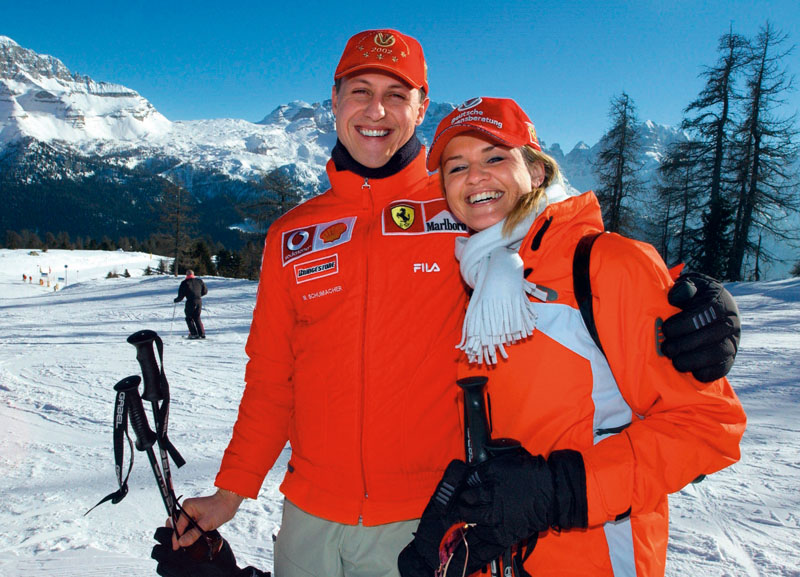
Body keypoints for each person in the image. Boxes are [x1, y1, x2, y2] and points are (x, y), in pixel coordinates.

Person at [153, 30, 741, 577]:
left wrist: (689, 303)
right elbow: (273, 376)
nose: (376, 111)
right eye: (359, 92)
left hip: (428, 513)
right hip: (309, 512)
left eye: (395, 94)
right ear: (333, 101)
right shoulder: (293, 233)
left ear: (420, 106)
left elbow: (555, 240)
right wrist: (231, 490)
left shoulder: (461, 209)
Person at [398, 97, 747, 577]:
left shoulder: (606, 265)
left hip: (597, 558)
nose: (475, 177)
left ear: (537, 172)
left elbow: (709, 429)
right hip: (499, 558)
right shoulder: (472, 281)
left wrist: (557, 492)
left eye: (495, 158)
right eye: (457, 167)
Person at [174, 270, 208, 339]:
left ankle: (193, 333)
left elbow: (181, 295)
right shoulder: (199, 281)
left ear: (186, 275)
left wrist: (176, 300)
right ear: (193, 274)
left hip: (190, 301)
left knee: (189, 318)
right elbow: (205, 291)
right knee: (197, 317)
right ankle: (202, 333)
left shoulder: (185, 283)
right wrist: (198, 295)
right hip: (199, 301)